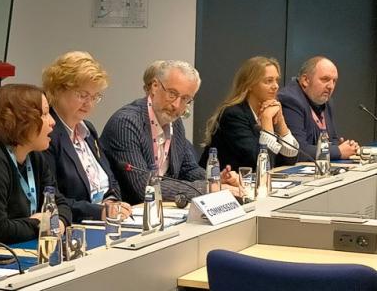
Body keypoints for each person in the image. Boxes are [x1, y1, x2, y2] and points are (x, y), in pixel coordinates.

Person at [101, 60, 240, 205]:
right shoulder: (127, 123)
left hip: (162, 210)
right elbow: (145, 187)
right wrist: (210, 189)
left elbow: (188, 168)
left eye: (186, 99)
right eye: (172, 94)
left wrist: (215, 180)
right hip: (129, 213)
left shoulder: (175, 122)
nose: (176, 105)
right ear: (155, 86)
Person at [0, 84, 72, 244]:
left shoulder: (35, 156)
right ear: (21, 120)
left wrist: (56, 223)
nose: (52, 122)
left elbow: (60, 204)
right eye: (45, 114)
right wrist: (39, 224)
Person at [42, 51, 131, 222]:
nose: (89, 103)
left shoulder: (88, 130)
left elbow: (110, 179)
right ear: (58, 90)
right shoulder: (46, 135)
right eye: (83, 95)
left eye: (95, 97)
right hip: (72, 228)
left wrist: (111, 202)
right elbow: (51, 198)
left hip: (104, 223)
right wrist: (99, 212)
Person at [200, 56, 299, 171]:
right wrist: (266, 120)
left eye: (277, 80)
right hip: (221, 184)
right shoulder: (233, 114)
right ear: (250, 84)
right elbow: (261, 165)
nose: (276, 86)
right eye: (269, 81)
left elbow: (290, 160)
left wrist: (281, 123)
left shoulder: (271, 110)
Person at [278, 56, 359, 160]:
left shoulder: (326, 101)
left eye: (334, 81)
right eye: (325, 79)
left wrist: (345, 147)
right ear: (305, 80)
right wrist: (338, 151)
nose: (331, 86)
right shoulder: (290, 100)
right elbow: (298, 150)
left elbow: (332, 139)